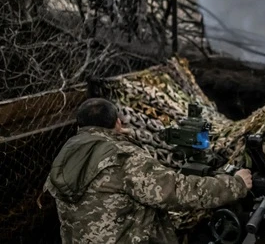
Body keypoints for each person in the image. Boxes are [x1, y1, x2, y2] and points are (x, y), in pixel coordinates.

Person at [44, 98, 252, 244]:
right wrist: (236, 184)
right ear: (117, 121)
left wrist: (123, 138)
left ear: (80, 125)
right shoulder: (124, 157)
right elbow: (177, 192)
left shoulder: (68, 152)